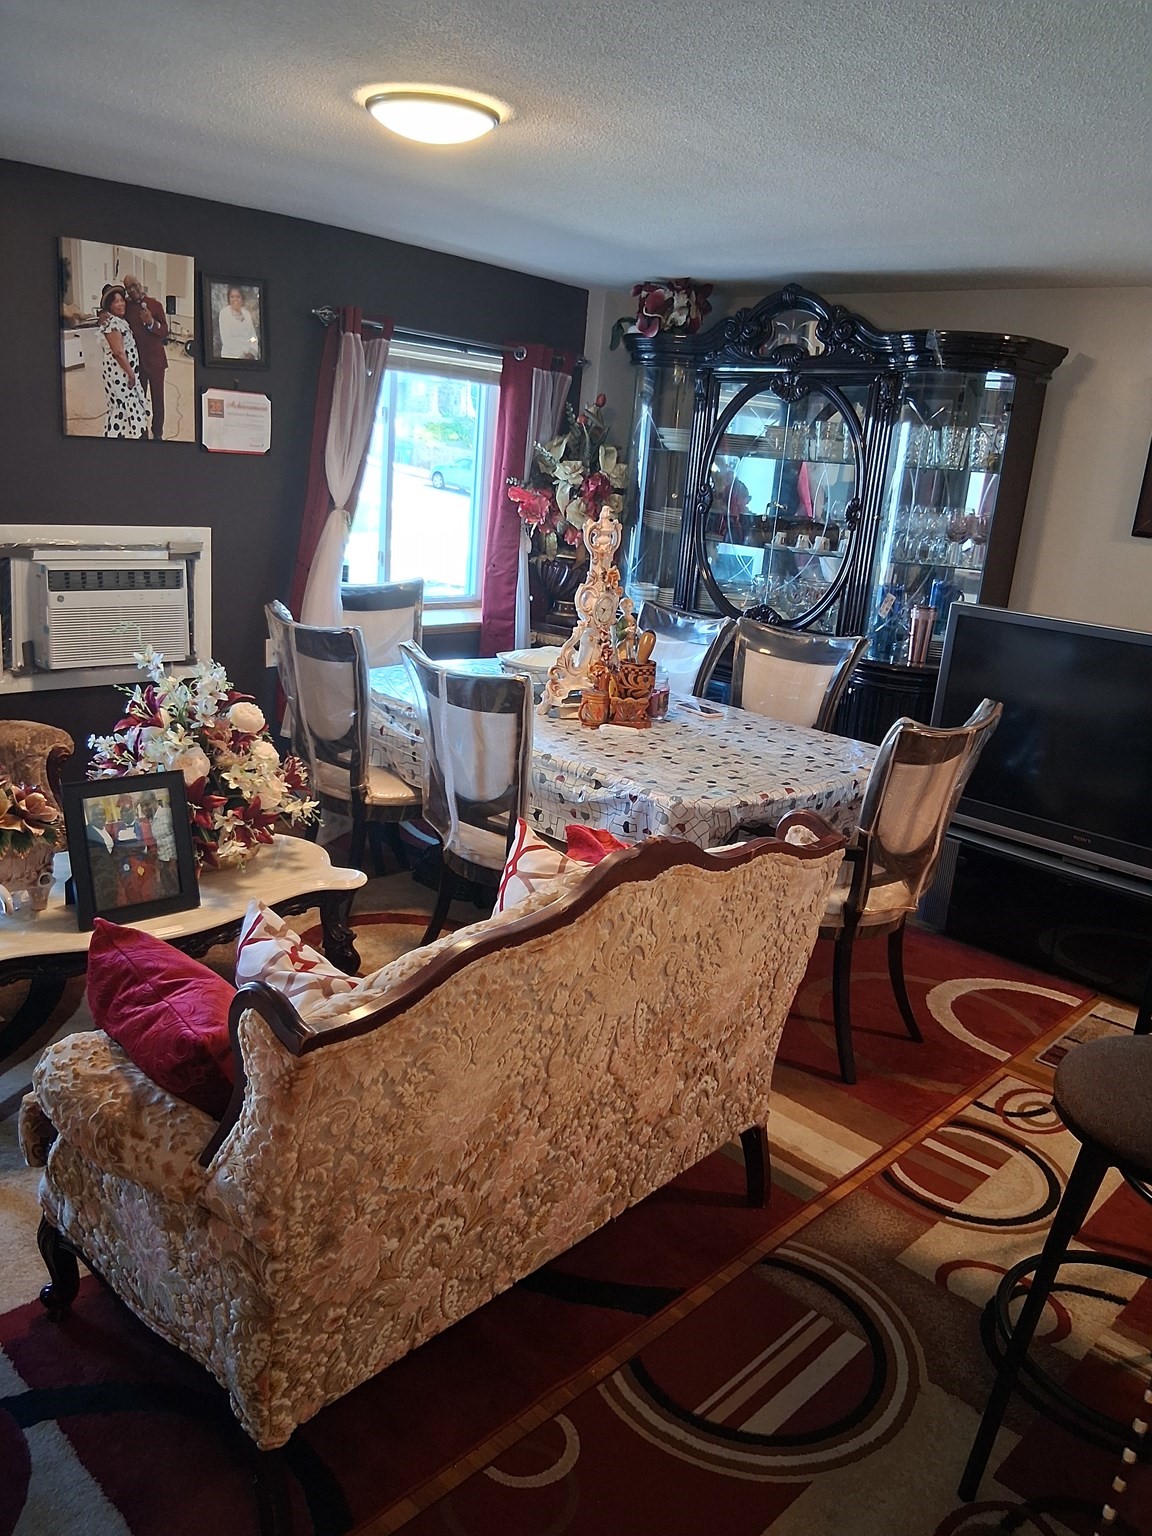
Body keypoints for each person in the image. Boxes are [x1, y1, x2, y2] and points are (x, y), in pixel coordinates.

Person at [122, 273, 169, 440]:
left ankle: (158, 433)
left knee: (158, 399)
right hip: (137, 363)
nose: (132, 290)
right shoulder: (126, 307)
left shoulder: (155, 305)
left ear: (140, 285)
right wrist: (102, 315)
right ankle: (142, 431)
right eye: (128, 287)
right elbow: (112, 311)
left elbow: (165, 331)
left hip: (156, 362)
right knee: (139, 399)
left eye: (134, 285)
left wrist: (151, 323)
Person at [97, 284, 147, 439]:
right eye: (115, 302)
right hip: (120, 373)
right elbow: (118, 352)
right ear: (109, 306)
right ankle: (123, 436)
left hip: (122, 371)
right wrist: (131, 374)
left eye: (121, 300)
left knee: (127, 406)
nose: (121, 304)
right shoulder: (113, 324)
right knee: (123, 405)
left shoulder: (118, 321)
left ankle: (129, 434)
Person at [84, 803, 123, 912]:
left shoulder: (105, 831)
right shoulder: (88, 832)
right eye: (96, 815)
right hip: (99, 883)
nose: (100, 817)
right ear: (91, 817)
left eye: (102, 814)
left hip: (110, 879)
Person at [217, 284, 259, 360]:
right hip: (231, 357)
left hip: (249, 358)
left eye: (238, 297)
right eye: (232, 297)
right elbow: (227, 340)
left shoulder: (246, 314)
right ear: (229, 299)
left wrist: (252, 352)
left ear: (242, 299)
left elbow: (253, 337)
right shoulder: (224, 313)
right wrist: (242, 355)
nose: (235, 299)